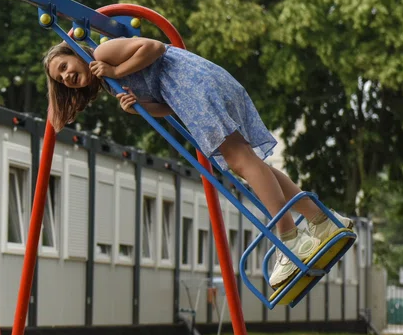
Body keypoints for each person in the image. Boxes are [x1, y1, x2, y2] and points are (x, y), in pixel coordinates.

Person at [42, 37, 355, 289]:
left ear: (77, 53)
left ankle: (290, 240)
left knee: (241, 160)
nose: (68, 76)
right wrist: (140, 108)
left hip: (194, 88)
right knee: (249, 163)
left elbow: (154, 48)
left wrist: (116, 71)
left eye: (65, 65)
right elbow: (165, 103)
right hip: (193, 90)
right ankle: (322, 221)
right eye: (62, 79)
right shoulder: (109, 77)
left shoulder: (104, 51)